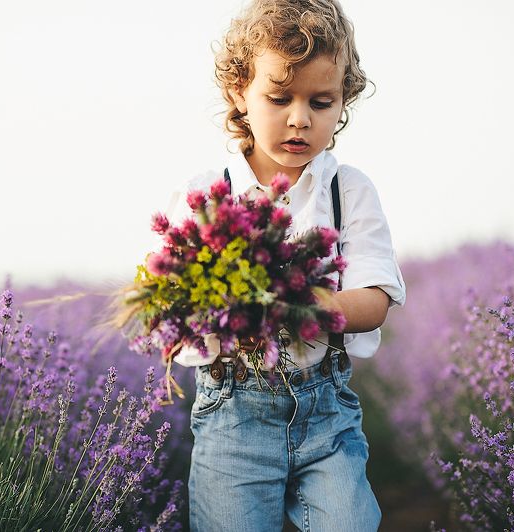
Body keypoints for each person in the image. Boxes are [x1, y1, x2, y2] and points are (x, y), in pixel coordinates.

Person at [165, 1, 406, 530]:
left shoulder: (350, 191)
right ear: (239, 94)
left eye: (322, 102)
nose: (301, 118)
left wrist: (305, 305)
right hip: (233, 416)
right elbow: (173, 299)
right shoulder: (209, 196)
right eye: (279, 98)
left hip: (327, 414)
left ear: (343, 100)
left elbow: (375, 301)